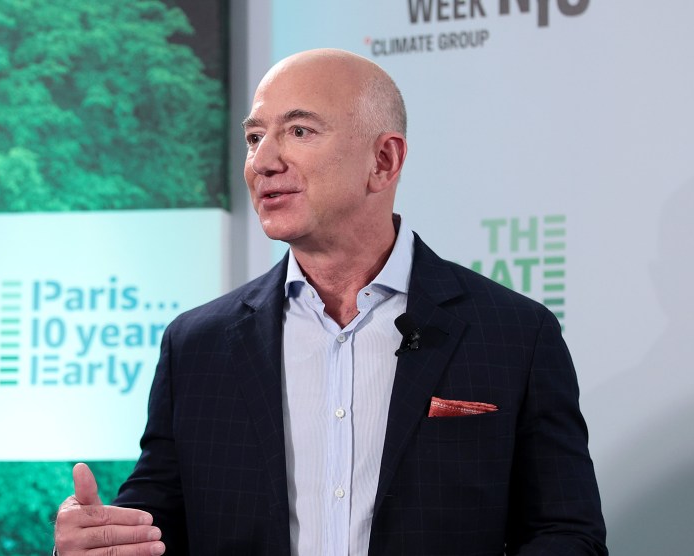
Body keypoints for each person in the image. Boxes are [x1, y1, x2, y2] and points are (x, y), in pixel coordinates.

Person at [54, 48, 607, 555]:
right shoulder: (197, 344)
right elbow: (156, 526)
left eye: (298, 130)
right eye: (253, 137)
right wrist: (100, 541)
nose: (263, 161)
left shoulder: (514, 334)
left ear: (384, 161)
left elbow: (565, 533)